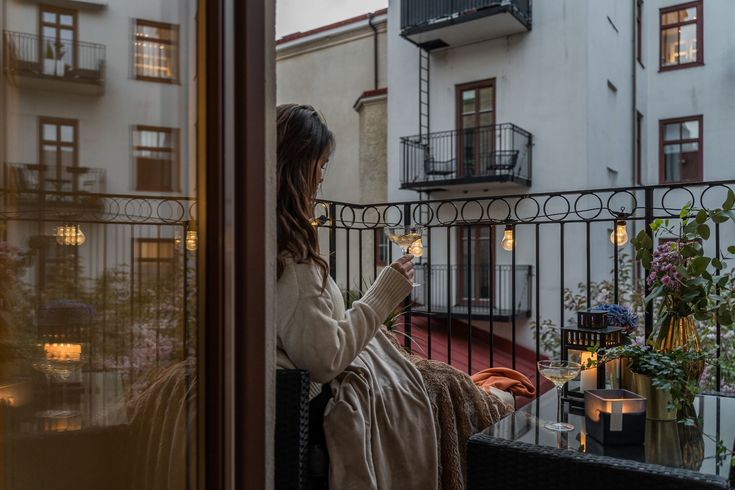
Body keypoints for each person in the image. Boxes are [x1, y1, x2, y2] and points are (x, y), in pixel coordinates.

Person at [275, 104, 512, 490]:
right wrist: (384, 293)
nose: (321, 176)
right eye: (320, 163)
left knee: (443, 379)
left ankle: (491, 398)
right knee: (443, 385)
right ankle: (497, 411)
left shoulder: (267, 240)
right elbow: (324, 360)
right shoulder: (292, 257)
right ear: (298, 166)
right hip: (315, 397)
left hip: (310, 382)